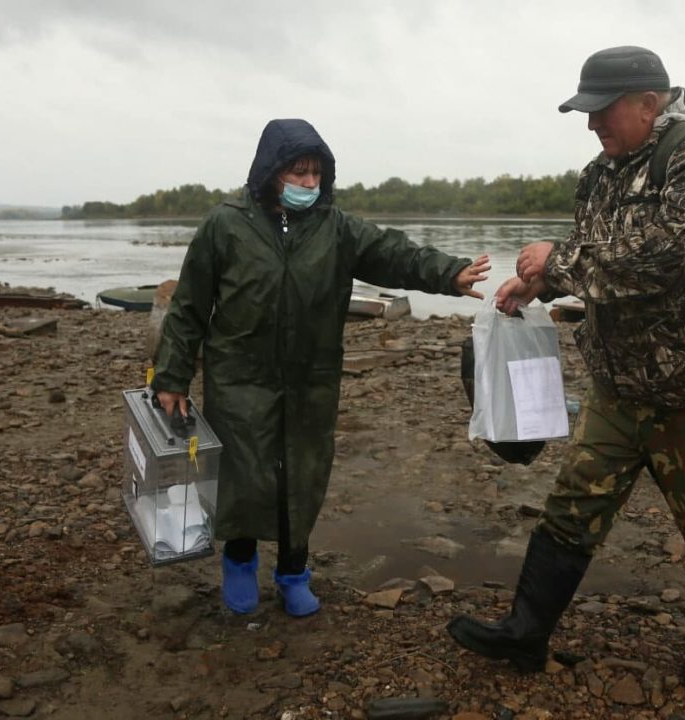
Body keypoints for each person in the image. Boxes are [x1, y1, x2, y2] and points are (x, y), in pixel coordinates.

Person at [447, 46, 685, 695]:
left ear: (650, 104)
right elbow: (607, 270)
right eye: (585, 112)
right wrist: (538, 288)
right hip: (619, 384)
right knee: (571, 506)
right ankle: (525, 633)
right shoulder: (598, 175)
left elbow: (673, 253)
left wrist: (556, 261)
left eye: (602, 110)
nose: (592, 124)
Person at [151, 118, 490, 617]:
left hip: (311, 379)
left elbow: (393, 252)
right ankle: (239, 563)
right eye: (298, 172)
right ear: (271, 172)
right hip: (239, 378)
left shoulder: (338, 229)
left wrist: (450, 273)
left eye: (316, 174)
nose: (309, 184)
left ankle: (293, 573)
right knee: (244, 475)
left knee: (301, 476)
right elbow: (188, 307)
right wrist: (172, 376)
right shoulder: (224, 225)